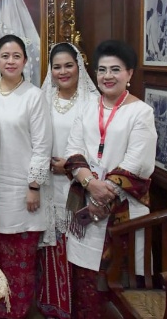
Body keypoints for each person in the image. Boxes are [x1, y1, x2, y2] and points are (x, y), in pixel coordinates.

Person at [64, 40, 157, 318]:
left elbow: (137, 163)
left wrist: (104, 198)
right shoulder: (86, 107)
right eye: (102, 69)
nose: (107, 76)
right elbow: (73, 150)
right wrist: (90, 185)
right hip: (85, 202)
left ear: (129, 73)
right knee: (84, 284)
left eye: (115, 69)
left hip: (123, 210)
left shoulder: (141, 112)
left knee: (116, 287)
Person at [0, 34, 52, 319]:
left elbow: (42, 145)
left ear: (25, 60)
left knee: (20, 266)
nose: (11, 61)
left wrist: (34, 185)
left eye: (16, 56)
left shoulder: (34, 96)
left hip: (23, 194)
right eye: (5, 56)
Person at [38, 42, 99, 318]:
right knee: (51, 246)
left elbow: (98, 143)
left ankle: (77, 308)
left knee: (76, 246)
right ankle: (54, 307)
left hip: (79, 186)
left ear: (79, 67)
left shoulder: (91, 101)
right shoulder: (43, 99)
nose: (63, 71)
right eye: (57, 66)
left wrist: (71, 167)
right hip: (48, 184)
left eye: (68, 65)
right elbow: (34, 137)